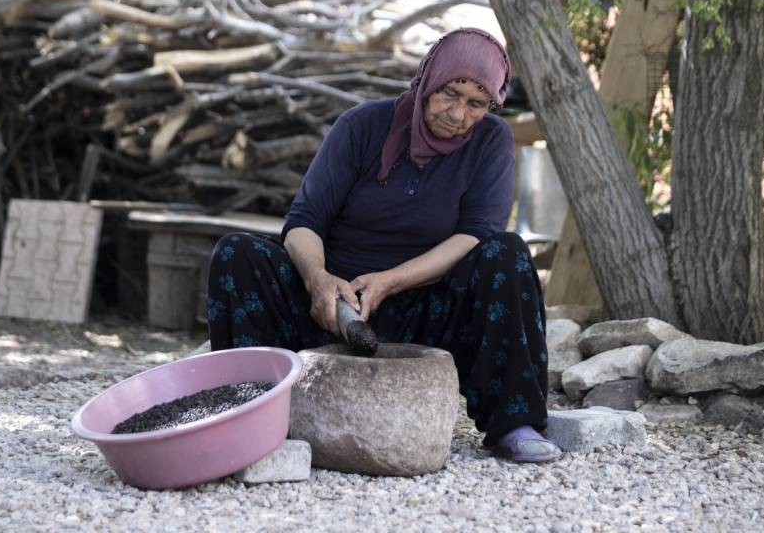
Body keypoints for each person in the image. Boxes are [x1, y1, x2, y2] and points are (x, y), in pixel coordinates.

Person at [206, 27, 560, 463]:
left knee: (506, 253)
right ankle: (246, 416)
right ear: (428, 80)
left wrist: (390, 282)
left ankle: (516, 422)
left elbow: (476, 234)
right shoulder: (361, 127)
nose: (459, 114)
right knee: (237, 253)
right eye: (450, 93)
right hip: (331, 307)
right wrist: (319, 280)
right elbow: (304, 222)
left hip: (427, 310)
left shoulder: (490, 141)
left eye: (477, 104)